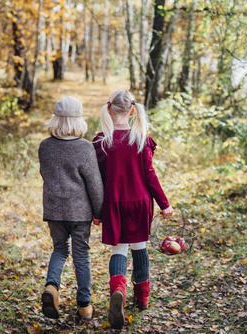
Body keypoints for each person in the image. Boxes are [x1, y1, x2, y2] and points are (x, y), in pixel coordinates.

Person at [93, 90, 173, 329]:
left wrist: (97, 212)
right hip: (139, 203)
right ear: (131, 110)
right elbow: (150, 175)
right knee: (139, 248)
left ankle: (118, 291)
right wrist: (164, 203)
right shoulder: (141, 138)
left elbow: (96, 180)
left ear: (109, 109)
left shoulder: (101, 140)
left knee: (119, 249)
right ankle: (142, 297)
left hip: (114, 204)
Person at [38, 96, 104, 321]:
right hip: (80, 213)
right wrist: (99, 212)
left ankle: (52, 287)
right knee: (81, 256)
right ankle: (84, 305)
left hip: (54, 211)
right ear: (79, 120)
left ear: (55, 119)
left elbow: (45, 174)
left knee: (59, 250)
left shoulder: (45, 146)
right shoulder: (85, 148)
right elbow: (94, 183)